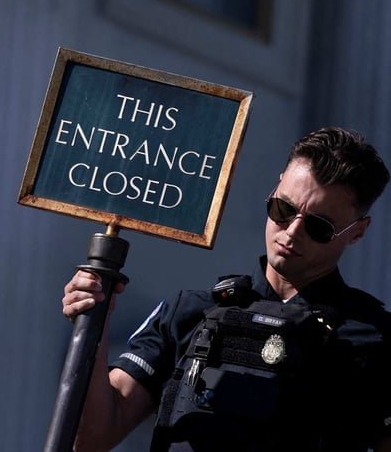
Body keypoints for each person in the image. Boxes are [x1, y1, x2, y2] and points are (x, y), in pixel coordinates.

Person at [61, 127, 391, 451]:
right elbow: (91, 438)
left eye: (318, 226)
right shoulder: (191, 312)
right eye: (283, 209)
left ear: (358, 232)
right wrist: (95, 322)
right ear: (275, 189)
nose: (291, 233)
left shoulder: (375, 339)